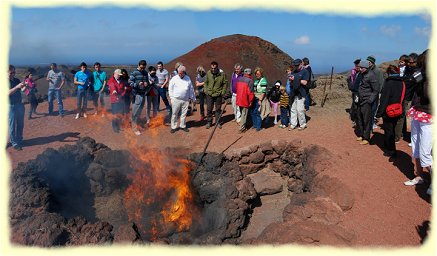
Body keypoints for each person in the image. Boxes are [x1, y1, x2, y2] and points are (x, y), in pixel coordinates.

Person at [403, 50, 432, 196]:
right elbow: (412, 90)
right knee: (415, 147)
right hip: (418, 112)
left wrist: (424, 80)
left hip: (430, 116)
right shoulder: (421, 74)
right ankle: (419, 176)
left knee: (427, 152)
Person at [375, 65, 404, 158]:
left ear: (388, 73)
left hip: (388, 110)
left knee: (388, 130)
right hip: (398, 109)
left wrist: (378, 113)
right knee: (392, 128)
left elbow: (384, 99)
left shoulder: (388, 82)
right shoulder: (402, 82)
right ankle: (387, 145)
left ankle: (391, 150)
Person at [355, 60, 378, 145]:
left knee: (366, 120)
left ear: (366, 67)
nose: (359, 69)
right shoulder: (362, 74)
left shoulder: (371, 75)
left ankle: (366, 137)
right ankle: (361, 134)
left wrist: (370, 100)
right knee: (359, 118)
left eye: (361, 68)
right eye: (359, 67)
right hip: (360, 100)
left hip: (366, 101)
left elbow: (376, 90)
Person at [168, 65, 195, 133]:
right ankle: (173, 127)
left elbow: (191, 89)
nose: (179, 74)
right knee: (175, 113)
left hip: (185, 100)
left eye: (181, 73)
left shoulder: (187, 78)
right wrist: (171, 98)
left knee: (184, 113)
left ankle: (182, 125)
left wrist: (193, 98)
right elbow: (170, 88)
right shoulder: (174, 78)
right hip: (176, 99)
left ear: (184, 72)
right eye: (178, 73)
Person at [204, 61, 228, 129]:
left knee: (218, 109)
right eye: (212, 68)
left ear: (217, 67)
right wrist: (206, 90)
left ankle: (217, 122)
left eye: (214, 68)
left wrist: (223, 92)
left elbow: (225, 83)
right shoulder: (208, 73)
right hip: (209, 94)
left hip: (218, 94)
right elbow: (205, 82)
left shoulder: (222, 74)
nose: (213, 69)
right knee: (209, 109)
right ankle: (209, 122)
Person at [130, 60, 151, 135]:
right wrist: (138, 84)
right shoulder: (134, 73)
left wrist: (146, 84)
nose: (142, 69)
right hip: (136, 94)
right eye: (141, 68)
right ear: (138, 65)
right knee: (135, 112)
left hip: (143, 94)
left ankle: (137, 125)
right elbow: (130, 83)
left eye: (144, 68)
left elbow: (148, 82)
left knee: (139, 112)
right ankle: (134, 128)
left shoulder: (145, 73)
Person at [288, 59, 309, 131]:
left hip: (301, 93)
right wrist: (291, 80)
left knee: (300, 110)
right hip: (293, 93)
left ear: (301, 64)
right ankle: (293, 124)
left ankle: (302, 124)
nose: (296, 67)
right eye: (295, 65)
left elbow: (305, 82)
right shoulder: (293, 72)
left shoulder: (305, 72)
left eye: (297, 65)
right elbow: (291, 83)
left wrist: (296, 78)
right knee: (293, 109)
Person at [8, 65, 26, 151]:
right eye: (11, 72)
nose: (13, 74)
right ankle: (14, 143)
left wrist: (25, 86)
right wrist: (17, 87)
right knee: (12, 126)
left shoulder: (16, 80)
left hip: (19, 104)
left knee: (20, 124)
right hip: (10, 106)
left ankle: (19, 140)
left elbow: (21, 90)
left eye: (14, 72)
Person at [367, 55, 384, 130]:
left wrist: (378, 92)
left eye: (369, 62)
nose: (368, 63)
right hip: (368, 92)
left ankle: (372, 123)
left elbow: (381, 82)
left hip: (375, 93)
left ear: (373, 63)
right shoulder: (367, 69)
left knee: (373, 108)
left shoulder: (378, 71)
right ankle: (369, 122)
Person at [251, 67, 271, 131]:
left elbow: (263, 91)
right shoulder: (256, 80)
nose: (257, 75)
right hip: (255, 97)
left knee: (258, 112)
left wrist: (260, 100)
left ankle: (258, 127)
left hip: (260, 98)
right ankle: (255, 124)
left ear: (261, 74)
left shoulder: (263, 80)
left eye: (258, 74)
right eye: (256, 74)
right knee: (253, 112)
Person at [236, 68, 255, 133]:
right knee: (244, 114)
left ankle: (244, 124)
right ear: (249, 73)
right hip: (245, 100)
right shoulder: (250, 81)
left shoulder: (239, 79)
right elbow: (251, 93)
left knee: (242, 113)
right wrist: (250, 101)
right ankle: (242, 128)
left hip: (239, 99)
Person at [347, 58, 361, 127]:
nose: (356, 67)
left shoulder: (362, 74)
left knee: (356, 106)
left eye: (357, 66)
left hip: (359, 93)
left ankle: (356, 120)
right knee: (355, 105)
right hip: (355, 92)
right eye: (355, 66)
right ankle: (355, 119)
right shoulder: (355, 72)